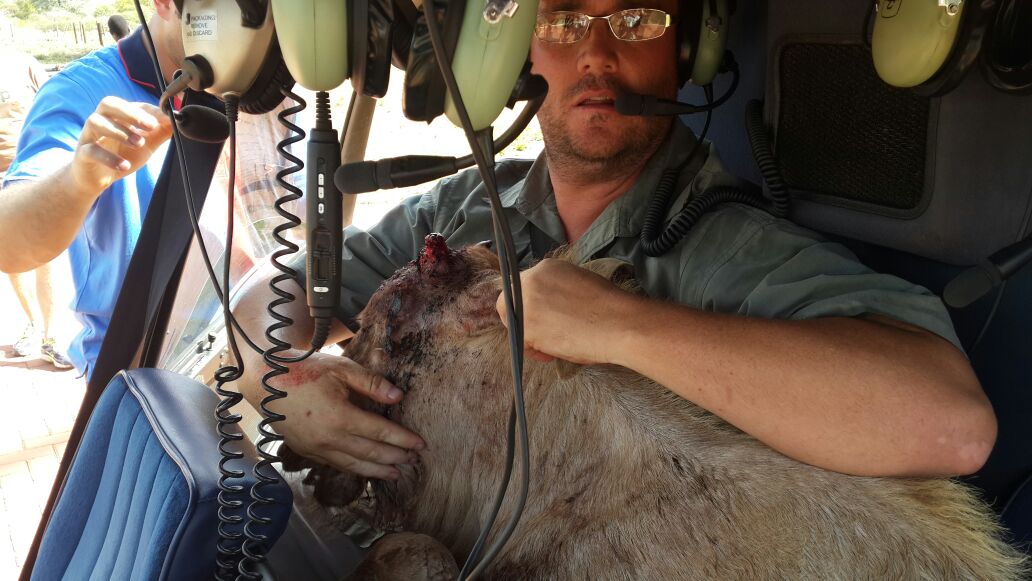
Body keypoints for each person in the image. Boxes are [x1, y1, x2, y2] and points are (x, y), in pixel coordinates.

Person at [233, 0, 996, 483]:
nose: (597, 53)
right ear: (526, 53)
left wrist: (620, 326)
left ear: (685, 50)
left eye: (637, 19)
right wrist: (281, 389)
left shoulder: (731, 245)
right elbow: (268, 296)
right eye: (565, 20)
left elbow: (952, 424)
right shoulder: (468, 204)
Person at [0, 1, 181, 378]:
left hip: (218, 340)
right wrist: (78, 180)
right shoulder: (78, 91)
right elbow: (9, 244)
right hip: (134, 369)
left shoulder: (235, 83)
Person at [0, 48, 73, 369]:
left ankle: (51, 335)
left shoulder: (22, 63)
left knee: (45, 257)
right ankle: (32, 323)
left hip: (31, 174)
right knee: (11, 259)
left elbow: (56, 101)